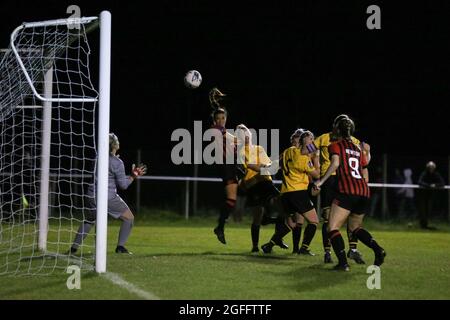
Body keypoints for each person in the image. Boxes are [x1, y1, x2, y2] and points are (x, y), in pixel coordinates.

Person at [314, 117, 385, 271]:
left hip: (347, 190)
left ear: (337, 129)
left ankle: (343, 263)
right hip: (363, 190)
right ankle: (378, 250)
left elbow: (335, 164)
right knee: (355, 228)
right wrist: (369, 152)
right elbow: (365, 164)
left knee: (332, 228)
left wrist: (320, 181)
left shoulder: (335, 146)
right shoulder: (358, 148)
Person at [68, 133, 147, 255]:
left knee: (90, 220)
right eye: (117, 140)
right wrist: (134, 175)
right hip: (106, 196)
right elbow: (123, 185)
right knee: (129, 218)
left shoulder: (97, 158)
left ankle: (73, 248)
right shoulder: (117, 162)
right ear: (114, 145)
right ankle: (120, 247)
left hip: (91, 194)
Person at [261, 128, 320, 255]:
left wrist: (264, 167)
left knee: (294, 224)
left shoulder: (287, 151)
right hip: (298, 191)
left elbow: (275, 165)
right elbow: (316, 173)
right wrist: (316, 157)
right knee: (313, 221)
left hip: (286, 192)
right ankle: (302, 249)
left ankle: (270, 245)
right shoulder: (303, 156)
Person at [235, 124, 280, 252]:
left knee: (282, 206)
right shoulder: (241, 153)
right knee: (257, 216)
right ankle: (255, 246)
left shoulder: (259, 149)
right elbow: (250, 165)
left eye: (246, 132)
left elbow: (269, 164)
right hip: (253, 184)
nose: (245, 136)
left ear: (250, 134)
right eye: (241, 134)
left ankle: (276, 237)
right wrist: (264, 167)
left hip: (266, 182)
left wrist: (267, 166)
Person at [209, 88, 239, 244]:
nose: (221, 120)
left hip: (232, 166)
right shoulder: (215, 130)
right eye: (218, 118)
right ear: (215, 120)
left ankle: (220, 226)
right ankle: (220, 226)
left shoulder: (225, 132)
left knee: (234, 199)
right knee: (231, 199)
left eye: (223, 117)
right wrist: (214, 102)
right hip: (226, 167)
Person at [417, 161, 445, 230]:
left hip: (430, 195)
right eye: (430, 167)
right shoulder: (424, 173)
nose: (431, 169)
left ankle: (425, 225)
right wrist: (429, 185)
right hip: (422, 195)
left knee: (428, 210)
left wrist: (435, 185)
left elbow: (442, 183)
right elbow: (419, 182)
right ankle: (422, 225)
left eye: (432, 168)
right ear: (427, 168)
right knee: (422, 210)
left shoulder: (436, 174)